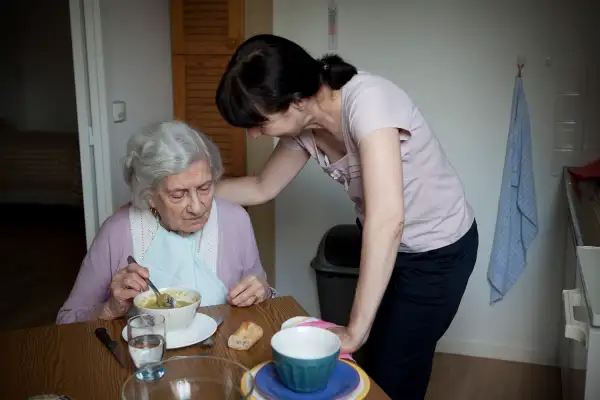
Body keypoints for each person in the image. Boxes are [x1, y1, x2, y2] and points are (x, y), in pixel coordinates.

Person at [214, 34, 478, 399]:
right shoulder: (304, 126)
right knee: (373, 363)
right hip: (392, 247)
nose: (255, 135)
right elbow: (262, 186)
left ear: (295, 101)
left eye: (259, 123)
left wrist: (354, 330)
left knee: (396, 370)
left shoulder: (369, 102)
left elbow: (387, 219)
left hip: (439, 251)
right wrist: (190, 191)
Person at [57, 121, 275, 324]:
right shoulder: (118, 231)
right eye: (178, 194)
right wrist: (110, 309)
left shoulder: (235, 220)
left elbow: (263, 295)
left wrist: (263, 291)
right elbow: (66, 320)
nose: (197, 207)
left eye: (205, 188)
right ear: (149, 195)